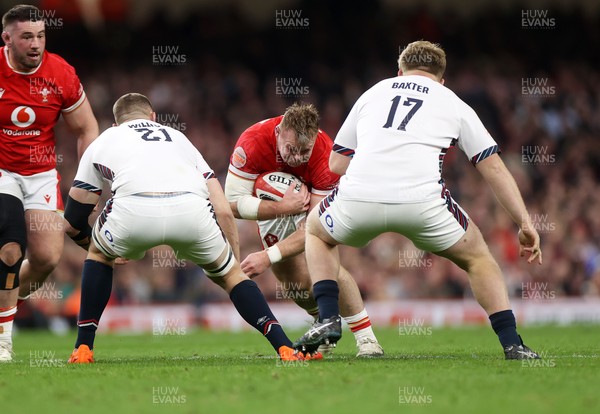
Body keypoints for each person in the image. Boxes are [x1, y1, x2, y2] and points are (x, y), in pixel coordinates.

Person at [293, 41, 543, 360]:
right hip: (423, 202)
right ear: (441, 80)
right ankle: (512, 344)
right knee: (479, 258)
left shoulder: (372, 93)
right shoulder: (452, 102)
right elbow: (491, 165)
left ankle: (328, 318)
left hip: (360, 197)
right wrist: (524, 222)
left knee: (316, 232)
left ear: (399, 71)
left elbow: (336, 165)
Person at [64, 93, 307, 363]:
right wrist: (233, 265)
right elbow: (223, 208)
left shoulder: (105, 139)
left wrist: (95, 245)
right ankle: (285, 347)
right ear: (153, 117)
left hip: (135, 209)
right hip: (191, 209)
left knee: (98, 256)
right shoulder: (177, 137)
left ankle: (84, 348)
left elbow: (74, 217)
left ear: (116, 123)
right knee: (231, 277)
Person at [224, 103, 383, 357]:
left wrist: (267, 256)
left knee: (328, 266)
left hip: (312, 210)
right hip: (272, 209)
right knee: (296, 286)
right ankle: (323, 325)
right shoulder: (252, 141)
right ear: (279, 133)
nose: (297, 157)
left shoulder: (325, 154)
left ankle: (367, 338)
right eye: (290, 149)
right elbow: (229, 203)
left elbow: (316, 225)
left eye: (304, 151)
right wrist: (282, 207)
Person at [0, 4, 99, 361]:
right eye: (27, 36)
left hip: (41, 173)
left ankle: (3, 302)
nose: (36, 44)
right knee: (10, 247)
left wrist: (88, 183)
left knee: (45, 258)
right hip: (2, 170)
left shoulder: (60, 73)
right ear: (7, 39)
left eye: (41, 35)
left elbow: (87, 128)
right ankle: (3, 341)